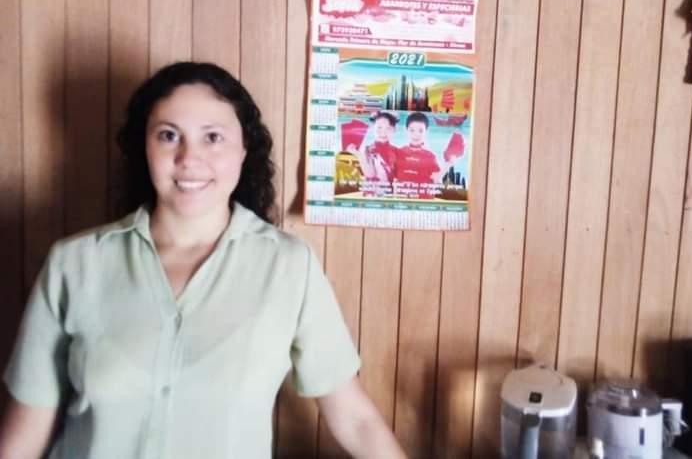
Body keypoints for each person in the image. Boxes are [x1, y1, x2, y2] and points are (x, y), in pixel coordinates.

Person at [0, 62, 406, 459]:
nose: (189, 158)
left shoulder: (288, 266)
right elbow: (27, 428)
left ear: (244, 148)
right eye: (168, 135)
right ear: (145, 147)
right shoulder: (73, 264)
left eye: (212, 137)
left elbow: (355, 420)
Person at [394, 112, 455, 199]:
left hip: (423, 201)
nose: (416, 134)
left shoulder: (430, 156)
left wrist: (449, 162)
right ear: (406, 130)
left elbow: (436, 179)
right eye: (412, 130)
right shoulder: (399, 153)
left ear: (426, 131)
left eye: (420, 131)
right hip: (402, 201)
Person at [347, 111, 399, 197]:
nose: (383, 132)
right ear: (373, 128)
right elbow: (370, 174)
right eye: (379, 127)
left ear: (394, 130)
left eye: (388, 128)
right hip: (371, 194)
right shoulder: (367, 149)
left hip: (389, 194)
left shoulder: (396, 151)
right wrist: (359, 155)